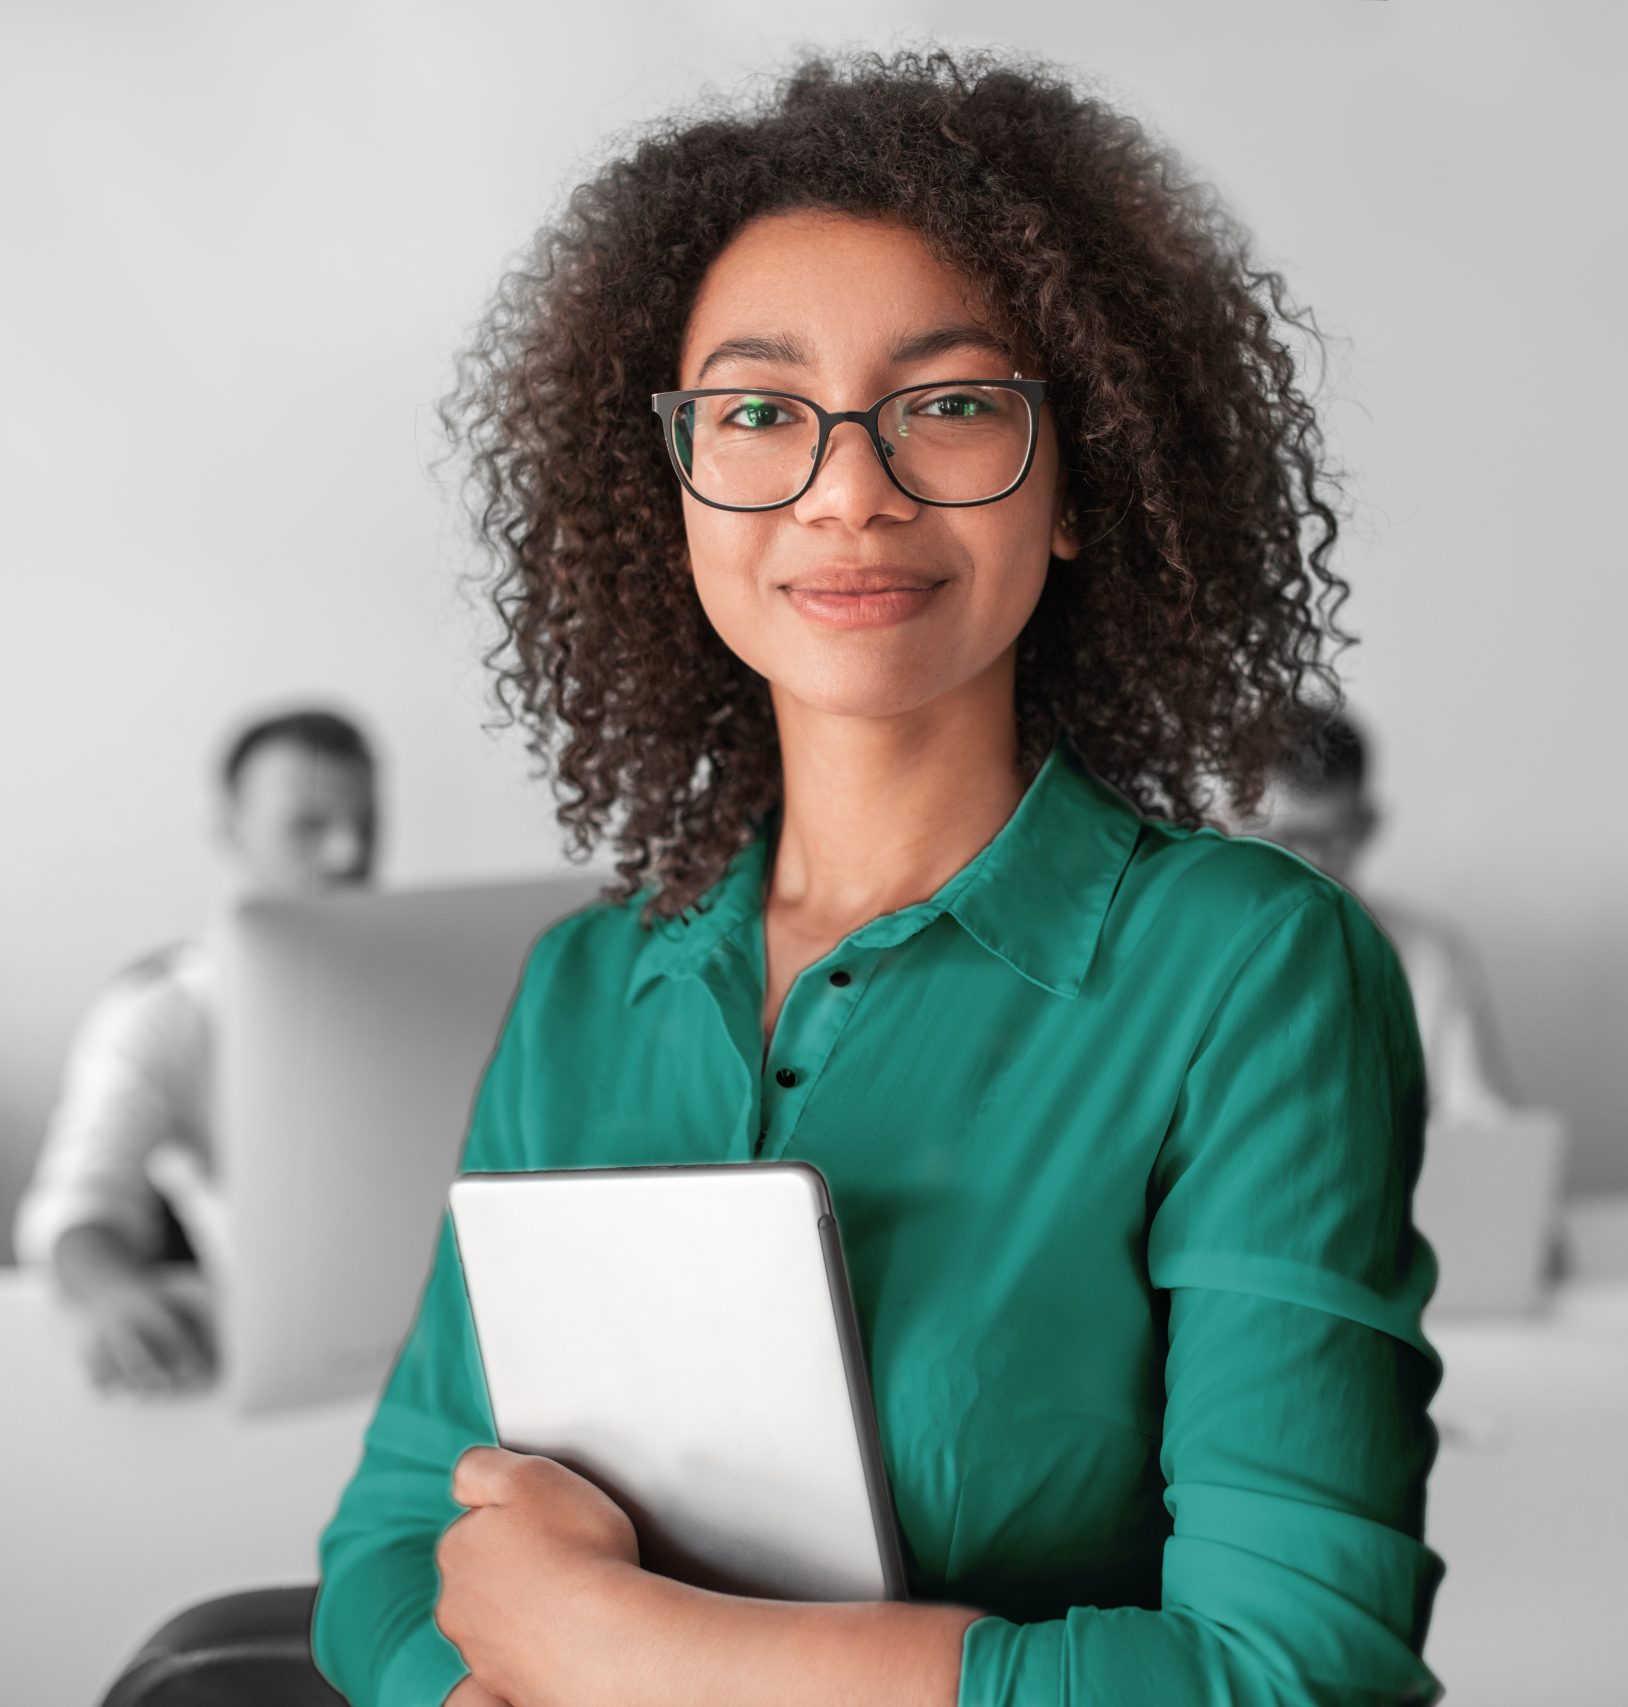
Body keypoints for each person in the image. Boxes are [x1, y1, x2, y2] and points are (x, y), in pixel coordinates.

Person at [314, 48, 1442, 1707]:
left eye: (953, 403)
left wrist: (636, 1654)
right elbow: (396, 1543)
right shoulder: (583, 987)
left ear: (1080, 484)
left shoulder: (1251, 971)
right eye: (761, 413)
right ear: (677, 493)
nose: (850, 487)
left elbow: (1296, 1672)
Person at [13, 706, 379, 1395]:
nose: (348, 854)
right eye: (309, 825)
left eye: (366, 823)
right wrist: (114, 1292)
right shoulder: (163, 1009)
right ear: (231, 831)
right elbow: (73, 1205)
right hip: (279, 1366)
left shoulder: (441, 984)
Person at [1244, 708, 1521, 1129]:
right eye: (1284, 839)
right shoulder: (1177, 958)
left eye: (1331, 837)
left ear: (1368, 828)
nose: (1310, 861)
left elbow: (1491, 1137)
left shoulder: (1432, 959)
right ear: (1233, 829)